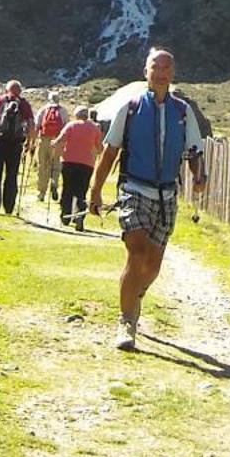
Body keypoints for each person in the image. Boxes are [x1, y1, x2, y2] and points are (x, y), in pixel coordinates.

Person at [88, 47, 206, 350]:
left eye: (166, 67)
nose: (161, 72)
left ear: (173, 73)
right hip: (133, 189)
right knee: (137, 252)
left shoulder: (182, 111)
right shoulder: (130, 107)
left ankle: (136, 296)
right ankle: (126, 322)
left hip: (166, 194)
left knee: (152, 266)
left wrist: (198, 176)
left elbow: (194, 150)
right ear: (146, 72)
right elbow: (110, 151)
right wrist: (96, 190)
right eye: (156, 67)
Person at [0, 79, 35, 216]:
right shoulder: (24, 104)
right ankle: (9, 207)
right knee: (12, 176)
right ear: (20, 91)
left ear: (7, 89)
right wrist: (29, 142)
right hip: (15, 144)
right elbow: (31, 125)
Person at [55, 105, 104, 229]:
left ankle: (66, 215)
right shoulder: (94, 128)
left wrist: (53, 145)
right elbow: (100, 149)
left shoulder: (71, 125)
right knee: (81, 191)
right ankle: (79, 217)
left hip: (69, 161)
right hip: (86, 164)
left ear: (76, 115)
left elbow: (60, 140)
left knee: (67, 189)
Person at [34, 91, 68, 203]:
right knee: (56, 165)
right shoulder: (63, 111)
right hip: (57, 141)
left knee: (43, 166)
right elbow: (66, 127)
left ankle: (41, 192)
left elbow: (37, 125)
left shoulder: (43, 109)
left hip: (44, 140)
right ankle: (54, 182)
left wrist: (33, 141)